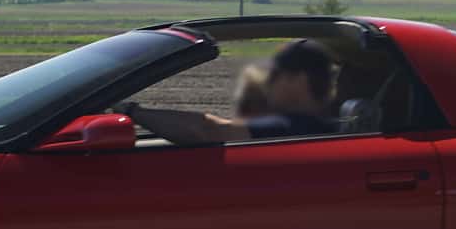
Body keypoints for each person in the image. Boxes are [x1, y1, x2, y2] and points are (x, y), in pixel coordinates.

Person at [116, 40, 338, 145]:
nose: (268, 83)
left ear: (299, 80)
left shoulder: (295, 126)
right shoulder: (330, 124)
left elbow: (207, 130)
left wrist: (131, 111)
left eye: (275, 76)